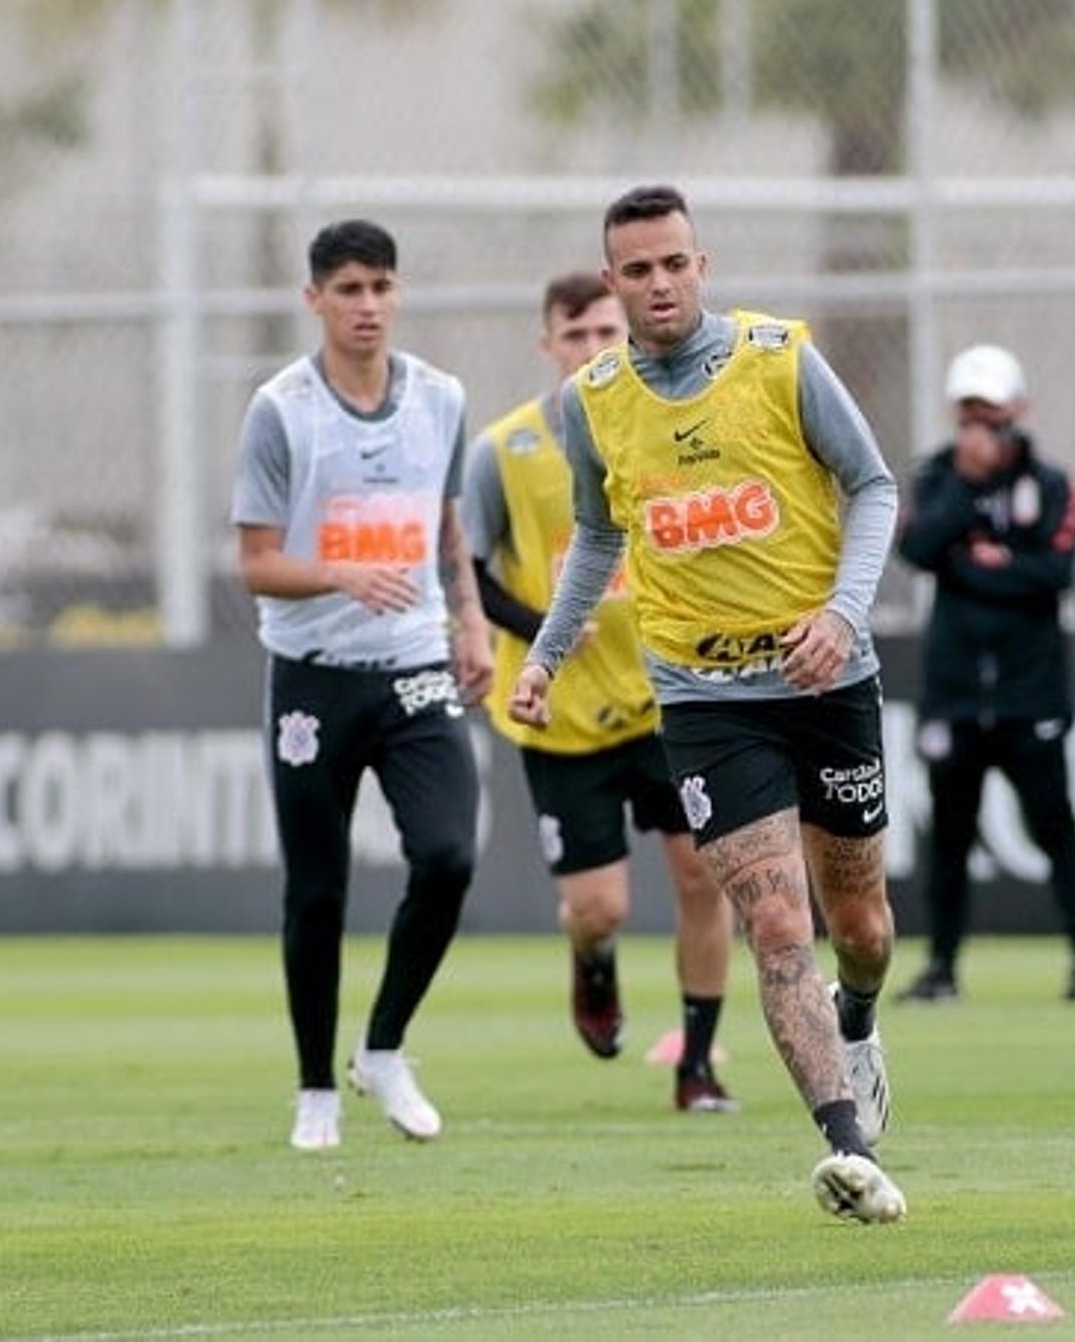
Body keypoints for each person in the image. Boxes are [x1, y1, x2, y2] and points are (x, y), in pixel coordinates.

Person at [507, 185, 906, 1224]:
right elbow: (598, 535)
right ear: (612, 281)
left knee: (859, 926)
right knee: (778, 919)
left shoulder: (779, 357)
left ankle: (858, 1019)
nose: (658, 283)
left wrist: (842, 611)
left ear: (702, 263)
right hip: (702, 694)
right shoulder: (589, 401)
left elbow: (873, 484)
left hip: (826, 678)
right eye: (635, 269)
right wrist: (547, 655)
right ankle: (848, 1145)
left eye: (674, 263)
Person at [231, 218, 494, 1152]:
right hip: (314, 676)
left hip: (415, 667)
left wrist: (470, 622)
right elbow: (256, 563)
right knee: (317, 887)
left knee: (450, 855)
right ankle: (315, 1089)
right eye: (348, 289)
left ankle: (383, 1046)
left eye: (381, 286)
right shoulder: (283, 410)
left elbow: (449, 523)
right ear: (315, 299)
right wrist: (340, 573)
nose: (368, 306)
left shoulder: (440, 398)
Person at [464, 271, 737, 1113]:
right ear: (548, 344)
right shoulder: (502, 452)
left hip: (669, 698)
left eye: (603, 335)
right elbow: (466, 573)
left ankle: (696, 1066)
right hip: (563, 719)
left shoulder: (668, 431)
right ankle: (592, 961)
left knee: (704, 876)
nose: (589, 350)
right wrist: (542, 624)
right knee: (599, 905)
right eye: (573, 336)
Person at [894, 344, 1075, 1004]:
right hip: (955, 691)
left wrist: (978, 565)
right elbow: (919, 548)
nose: (978, 427)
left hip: (1028, 689)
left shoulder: (1051, 483)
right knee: (949, 836)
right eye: (967, 415)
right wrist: (964, 493)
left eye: (989, 413)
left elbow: (1054, 572)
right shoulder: (935, 478)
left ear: (1017, 410)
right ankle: (941, 965)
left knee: (1055, 826)